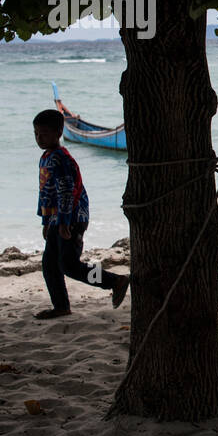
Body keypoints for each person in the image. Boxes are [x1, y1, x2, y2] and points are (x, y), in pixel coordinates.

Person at [32, 109, 130, 319]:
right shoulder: (46, 157)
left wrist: (65, 223)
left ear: (59, 132)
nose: (39, 138)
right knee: (50, 265)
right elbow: (46, 194)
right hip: (57, 219)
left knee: (69, 266)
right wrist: (46, 221)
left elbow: (68, 192)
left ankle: (114, 281)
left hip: (72, 218)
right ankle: (61, 306)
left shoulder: (61, 159)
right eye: (36, 134)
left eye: (44, 134)